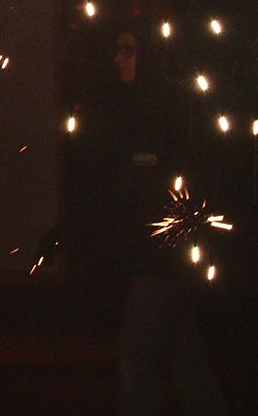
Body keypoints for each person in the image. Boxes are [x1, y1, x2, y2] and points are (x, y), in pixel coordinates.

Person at [66, 22, 226, 416]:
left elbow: (182, 182)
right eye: (117, 50)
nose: (118, 59)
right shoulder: (129, 107)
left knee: (137, 363)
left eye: (128, 50)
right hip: (156, 258)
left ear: (148, 55)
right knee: (185, 362)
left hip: (161, 259)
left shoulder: (166, 109)